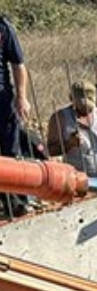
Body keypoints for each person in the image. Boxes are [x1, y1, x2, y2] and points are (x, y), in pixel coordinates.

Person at [45, 81, 97, 179]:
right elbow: (50, 150)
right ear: (72, 99)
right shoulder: (60, 118)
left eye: (89, 107)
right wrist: (69, 144)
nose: (85, 110)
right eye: (81, 106)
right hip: (75, 178)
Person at [0, 14, 30, 217]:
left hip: (2, 100)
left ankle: (19, 202)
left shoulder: (3, 28)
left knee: (11, 151)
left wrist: (22, 97)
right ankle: (6, 204)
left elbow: (18, 64)